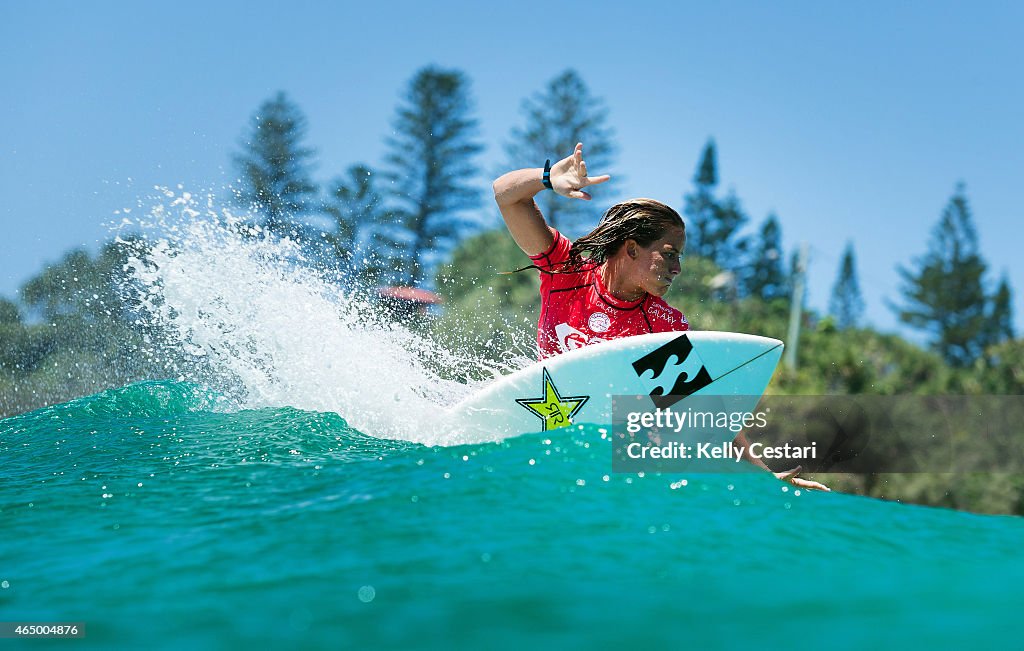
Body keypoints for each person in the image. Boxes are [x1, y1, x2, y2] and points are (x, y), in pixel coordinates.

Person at [493, 143, 829, 492]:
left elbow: (704, 415)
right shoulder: (567, 270)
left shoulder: (663, 327)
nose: (678, 269)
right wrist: (547, 178)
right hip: (542, 431)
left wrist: (764, 477)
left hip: (604, 459)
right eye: (669, 255)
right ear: (633, 247)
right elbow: (506, 196)